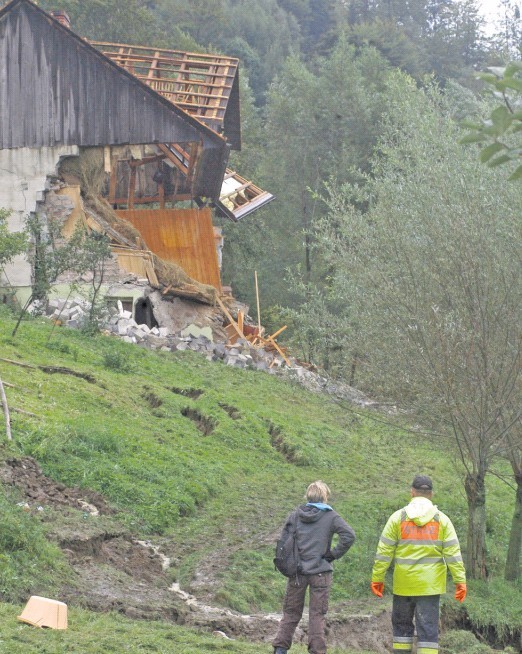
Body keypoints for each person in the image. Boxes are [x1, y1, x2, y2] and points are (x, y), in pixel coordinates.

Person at [370, 475, 467, 654]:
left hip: (403, 585)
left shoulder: (397, 519)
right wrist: (460, 581)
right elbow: (453, 554)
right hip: (430, 587)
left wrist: (377, 578)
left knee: (401, 631)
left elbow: (384, 552)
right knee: (428, 633)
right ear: (431, 494)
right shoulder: (441, 520)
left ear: (412, 492)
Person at [272, 480, 356, 654]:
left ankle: (280, 649)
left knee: (291, 613)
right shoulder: (331, 516)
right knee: (317, 615)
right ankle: (317, 651)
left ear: (307, 496)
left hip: (297, 572)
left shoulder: (295, 515)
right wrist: (332, 555)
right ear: (325, 497)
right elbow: (349, 536)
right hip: (320, 573)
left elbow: (283, 541)